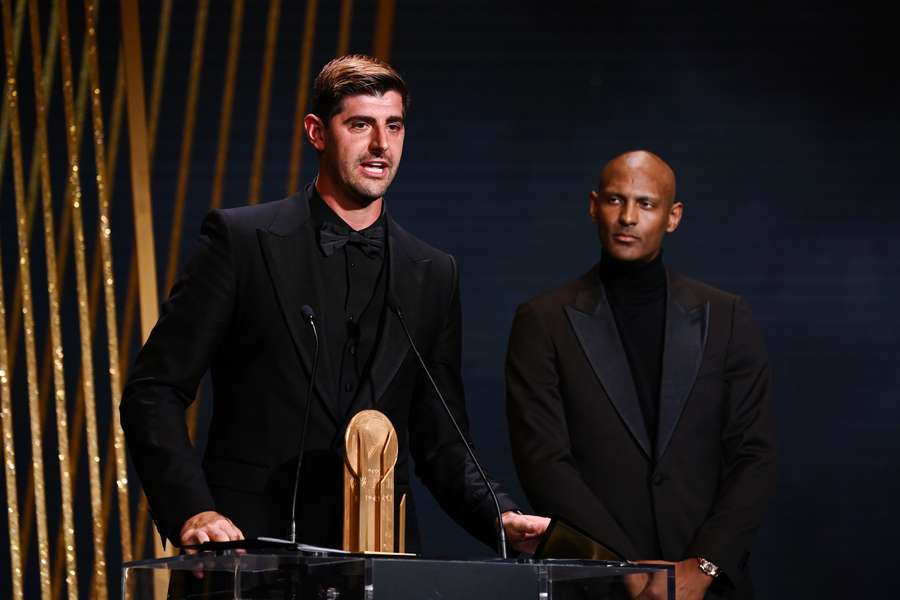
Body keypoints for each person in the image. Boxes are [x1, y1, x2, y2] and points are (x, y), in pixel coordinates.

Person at [121, 54, 548, 555]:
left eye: (394, 125)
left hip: (378, 559)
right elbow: (154, 391)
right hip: (246, 552)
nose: (380, 146)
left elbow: (441, 437)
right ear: (317, 132)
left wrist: (498, 515)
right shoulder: (242, 242)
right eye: (360, 124)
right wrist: (193, 509)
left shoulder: (431, 272)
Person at [506, 151, 776, 599]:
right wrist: (619, 566)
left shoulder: (727, 317)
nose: (628, 217)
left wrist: (704, 566)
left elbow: (755, 456)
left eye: (646, 204)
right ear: (594, 206)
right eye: (615, 200)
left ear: (673, 217)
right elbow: (543, 461)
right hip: (593, 585)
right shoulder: (543, 321)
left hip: (706, 586)